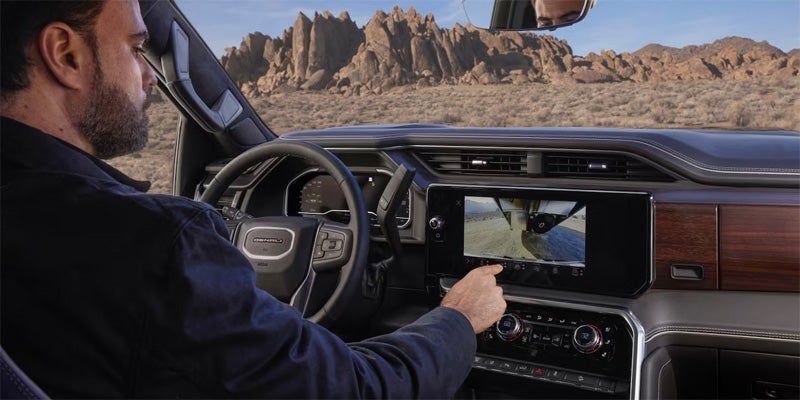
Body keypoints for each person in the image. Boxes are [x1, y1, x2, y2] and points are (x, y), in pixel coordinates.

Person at [0, 0, 507, 398]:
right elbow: (357, 389)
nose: (151, 75)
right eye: (136, 50)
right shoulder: (155, 247)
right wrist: (456, 319)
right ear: (65, 54)